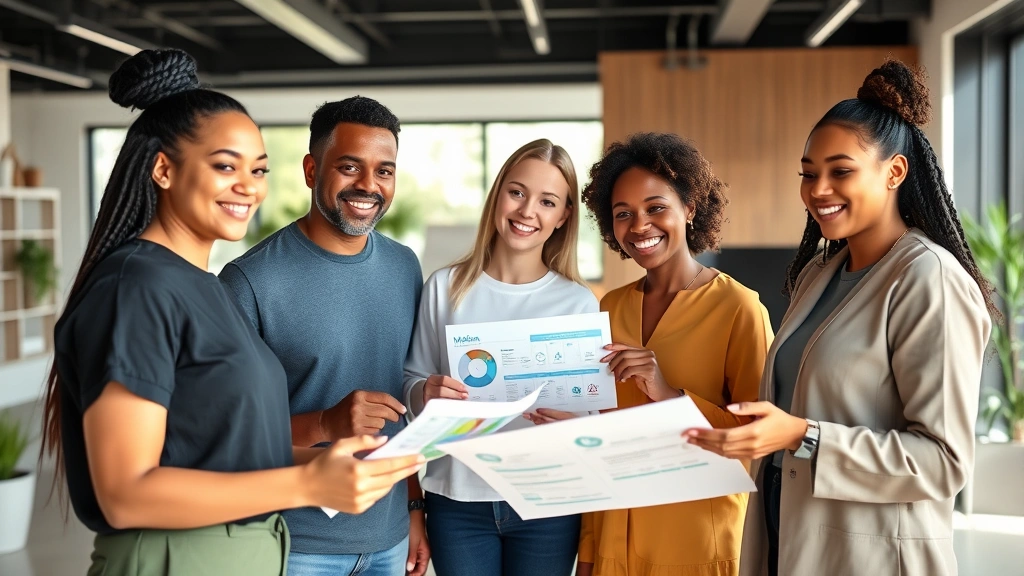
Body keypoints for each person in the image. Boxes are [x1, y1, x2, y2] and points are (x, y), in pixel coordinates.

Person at [41, 49, 423, 576]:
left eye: (258, 168)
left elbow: (217, 450)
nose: (249, 185)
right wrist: (306, 481)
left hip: (250, 550)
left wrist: (329, 465)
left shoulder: (199, 287)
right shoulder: (138, 286)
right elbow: (124, 495)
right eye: (225, 165)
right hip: (180, 558)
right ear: (163, 170)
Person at [684, 60, 993, 576]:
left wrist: (800, 436)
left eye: (840, 171)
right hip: (788, 533)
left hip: (871, 555)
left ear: (895, 171)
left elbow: (943, 462)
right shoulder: (819, 274)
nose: (817, 189)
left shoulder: (927, 279)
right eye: (808, 173)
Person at [530, 132, 772, 576]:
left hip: (696, 542)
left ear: (690, 208)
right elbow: (603, 433)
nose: (639, 226)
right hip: (612, 540)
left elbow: (756, 442)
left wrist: (667, 393)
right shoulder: (609, 307)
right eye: (624, 214)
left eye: (656, 208)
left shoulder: (740, 308)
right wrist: (588, 551)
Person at [219, 96, 429, 576]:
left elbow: (404, 401)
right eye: (350, 167)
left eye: (385, 171)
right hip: (295, 544)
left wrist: (415, 509)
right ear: (312, 170)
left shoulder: (404, 267)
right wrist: (325, 425)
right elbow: (226, 436)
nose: (368, 186)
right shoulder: (247, 282)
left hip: (390, 536)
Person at [403, 139, 598, 576]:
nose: (528, 210)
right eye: (517, 192)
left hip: (548, 501)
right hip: (457, 501)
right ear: (497, 196)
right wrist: (424, 391)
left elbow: (590, 418)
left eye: (547, 201)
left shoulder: (578, 303)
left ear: (563, 216)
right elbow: (409, 385)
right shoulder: (445, 287)